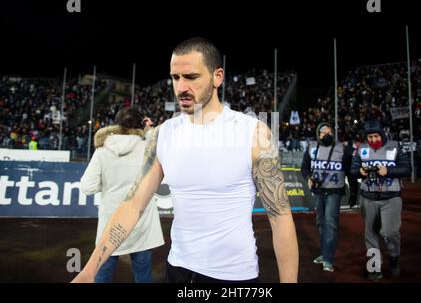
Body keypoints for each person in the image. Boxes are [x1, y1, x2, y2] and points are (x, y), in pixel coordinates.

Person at [73, 37, 299, 283]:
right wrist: (89, 270)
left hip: (233, 277)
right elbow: (133, 205)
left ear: (217, 77)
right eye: (175, 77)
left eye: (191, 77)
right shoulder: (162, 134)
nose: (181, 87)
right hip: (177, 269)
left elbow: (279, 216)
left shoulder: (253, 133)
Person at [80, 107, 164, 283]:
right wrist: (149, 129)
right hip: (141, 224)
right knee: (143, 276)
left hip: (110, 225)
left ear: (117, 124)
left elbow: (88, 187)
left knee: (102, 275)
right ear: (141, 123)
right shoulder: (148, 147)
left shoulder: (102, 150)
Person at [350, 119, 411, 281]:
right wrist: (360, 171)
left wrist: (388, 171)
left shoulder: (394, 146)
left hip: (391, 198)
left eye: (376, 136)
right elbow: (353, 170)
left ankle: (394, 257)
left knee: (390, 233)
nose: (373, 140)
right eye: (370, 137)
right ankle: (374, 268)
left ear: (382, 134)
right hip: (368, 198)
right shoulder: (362, 148)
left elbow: (407, 168)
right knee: (370, 234)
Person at [301, 122, 358, 272]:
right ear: (318, 135)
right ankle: (324, 252)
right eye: (322, 132)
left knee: (330, 224)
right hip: (318, 191)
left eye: (329, 132)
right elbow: (304, 167)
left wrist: (353, 191)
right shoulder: (312, 147)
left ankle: (328, 259)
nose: (326, 134)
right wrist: (308, 177)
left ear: (333, 133)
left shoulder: (342, 149)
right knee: (320, 223)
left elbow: (350, 171)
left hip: (334, 192)